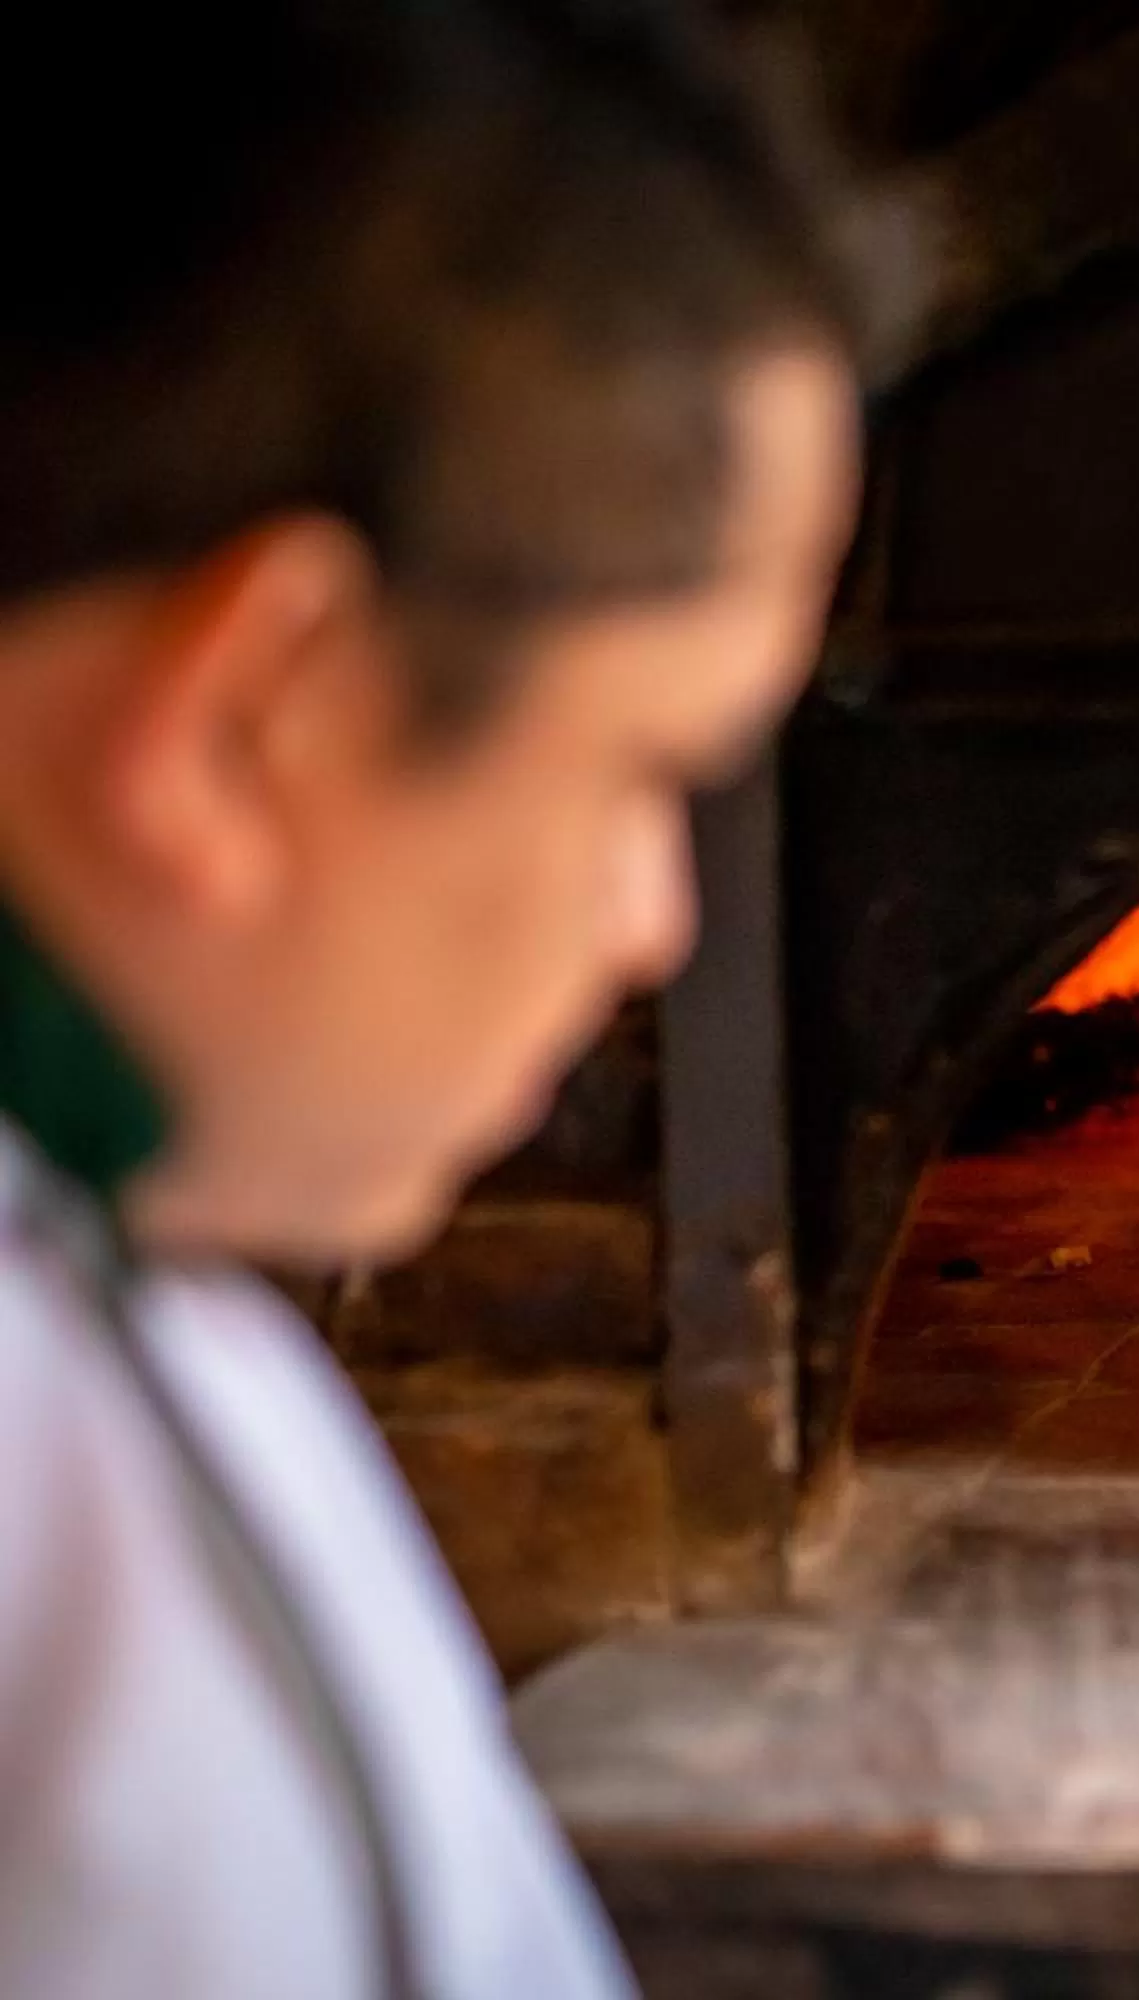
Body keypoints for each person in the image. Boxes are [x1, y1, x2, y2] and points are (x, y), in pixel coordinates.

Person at [0, 2, 868, 1994]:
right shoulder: (73, 1573)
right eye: (643, 770)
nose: (657, 921)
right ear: (247, 720)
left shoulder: (142, 1317)